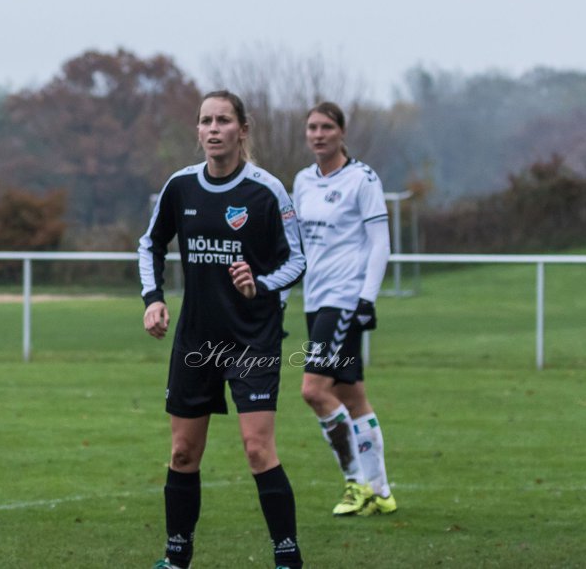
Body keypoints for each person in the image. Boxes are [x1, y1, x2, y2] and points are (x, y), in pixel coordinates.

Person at [138, 90, 307, 569]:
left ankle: (287, 556)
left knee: (257, 448)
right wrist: (154, 300)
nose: (213, 129)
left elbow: (297, 260)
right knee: (183, 451)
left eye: (223, 121)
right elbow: (150, 244)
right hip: (196, 339)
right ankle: (176, 556)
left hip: (253, 338)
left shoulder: (266, 190)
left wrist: (260, 284)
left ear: (242, 130)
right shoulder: (181, 187)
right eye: (205, 121)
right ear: (198, 131)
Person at [292, 101, 397, 516]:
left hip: (344, 298)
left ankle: (356, 483)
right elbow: (298, 245)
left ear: (341, 132)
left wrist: (367, 298)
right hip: (315, 300)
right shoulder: (301, 181)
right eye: (312, 128)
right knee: (351, 395)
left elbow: (380, 243)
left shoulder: (362, 179)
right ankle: (382, 491)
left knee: (314, 390)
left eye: (326, 127)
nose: (318, 134)